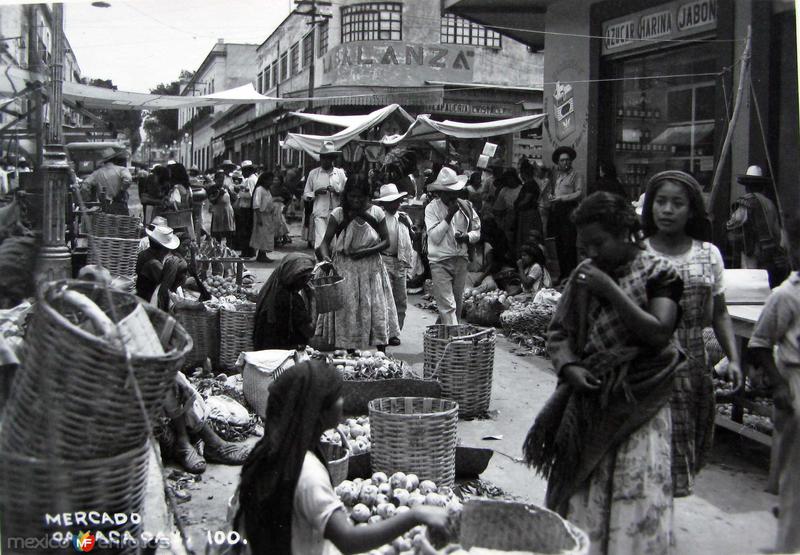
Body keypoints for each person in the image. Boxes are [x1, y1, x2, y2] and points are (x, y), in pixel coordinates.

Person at [524, 191, 684, 555]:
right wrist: (570, 367)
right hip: (590, 402)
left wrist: (610, 290)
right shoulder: (584, 275)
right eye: (586, 245)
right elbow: (559, 331)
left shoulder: (661, 273)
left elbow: (659, 331)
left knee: (634, 491)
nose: (592, 253)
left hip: (641, 402)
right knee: (584, 492)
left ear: (626, 231)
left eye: (599, 243)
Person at [235, 361, 448, 554]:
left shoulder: (271, 451)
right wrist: (415, 515)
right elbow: (348, 541)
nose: (343, 401)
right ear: (317, 411)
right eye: (337, 396)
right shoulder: (308, 473)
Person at [641, 171, 743, 497]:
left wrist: (734, 358)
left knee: (680, 448)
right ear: (650, 207)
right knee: (644, 449)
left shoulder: (708, 254)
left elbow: (721, 313)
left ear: (692, 210)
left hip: (691, 365)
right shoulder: (636, 255)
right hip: (645, 364)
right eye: (661, 202)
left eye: (677, 203)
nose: (667, 210)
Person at [747, 217, 800, 553]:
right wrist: (779, 385)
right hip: (796, 380)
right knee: (796, 476)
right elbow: (759, 344)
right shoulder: (786, 295)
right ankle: (787, 546)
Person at [316, 175, 400, 351]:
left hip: (371, 268)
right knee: (349, 310)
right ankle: (349, 351)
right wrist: (325, 257)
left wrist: (364, 252)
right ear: (346, 195)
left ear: (366, 196)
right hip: (346, 269)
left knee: (376, 308)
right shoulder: (338, 214)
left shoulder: (376, 212)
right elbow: (325, 243)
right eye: (351, 196)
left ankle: (381, 353)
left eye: (359, 197)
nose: (355, 200)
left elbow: (386, 241)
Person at [424, 167, 481, 325]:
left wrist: (467, 237)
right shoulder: (432, 208)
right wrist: (449, 216)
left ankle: (438, 336)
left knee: (456, 304)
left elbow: (477, 231)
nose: (452, 196)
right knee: (448, 305)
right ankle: (454, 340)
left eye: (454, 192)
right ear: (440, 193)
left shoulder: (465, 207)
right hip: (439, 261)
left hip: (460, 259)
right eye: (448, 192)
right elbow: (435, 237)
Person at [726, 165, 789, 287]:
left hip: (753, 251)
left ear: (747, 186)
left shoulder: (747, 202)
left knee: (750, 282)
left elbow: (733, 223)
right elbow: (777, 231)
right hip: (769, 252)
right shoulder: (769, 203)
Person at [374, 183, 414, 341]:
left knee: (401, 299)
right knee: (386, 298)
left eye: (397, 201)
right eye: (391, 202)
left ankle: (396, 331)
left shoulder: (403, 217)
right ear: (384, 204)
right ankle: (387, 331)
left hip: (400, 261)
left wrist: (408, 226)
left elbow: (413, 238)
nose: (395, 204)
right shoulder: (379, 218)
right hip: (385, 259)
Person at [253, 253, 316, 351]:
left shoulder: (269, 290)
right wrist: (312, 299)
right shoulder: (292, 299)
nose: (306, 282)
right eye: (304, 278)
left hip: (263, 350)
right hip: (284, 353)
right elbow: (310, 331)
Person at [547, 146, 585, 280]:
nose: (565, 163)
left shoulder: (576, 175)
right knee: (559, 243)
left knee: (569, 244)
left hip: (570, 210)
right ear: (558, 162)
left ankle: (571, 275)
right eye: (562, 160)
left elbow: (579, 193)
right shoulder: (558, 176)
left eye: (568, 160)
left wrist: (562, 198)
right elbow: (556, 192)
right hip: (558, 211)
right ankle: (563, 274)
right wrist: (553, 197)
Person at [303, 141, 347, 253]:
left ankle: (332, 267)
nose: (325, 161)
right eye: (323, 158)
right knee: (320, 241)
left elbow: (347, 192)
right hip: (320, 212)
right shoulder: (314, 174)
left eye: (328, 158)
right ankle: (319, 266)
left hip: (336, 213)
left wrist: (336, 191)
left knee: (334, 244)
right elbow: (306, 194)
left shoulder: (340, 174)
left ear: (333, 158)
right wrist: (315, 193)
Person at [81, 148, 133, 215]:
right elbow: (128, 180)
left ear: (104, 161)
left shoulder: (97, 173)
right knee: (122, 224)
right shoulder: (121, 170)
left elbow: (84, 186)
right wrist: (121, 191)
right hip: (120, 204)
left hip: (103, 206)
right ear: (115, 159)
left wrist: (88, 201)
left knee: (104, 224)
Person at [135, 225, 180, 301]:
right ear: (164, 249)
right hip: (146, 300)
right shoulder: (154, 264)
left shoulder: (144, 254)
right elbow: (167, 286)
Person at [515, 161, 545, 256]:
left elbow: (526, 200)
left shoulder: (530, 184)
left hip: (529, 215)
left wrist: (517, 206)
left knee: (528, 238)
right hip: (529, 214)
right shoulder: (531, 183)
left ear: (524, 173)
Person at [492, 168, 523, 252]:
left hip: (521, 218)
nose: (509, 181)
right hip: (508, 219)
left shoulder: (522, 189)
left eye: (510, 178)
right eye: (507, 179)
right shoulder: (504, 190)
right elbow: (498, 208)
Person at [250, 171, 278, 263]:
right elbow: (256, 204)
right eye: (270, 180)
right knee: (262, 235)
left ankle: (263, 254)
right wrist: (259, 218)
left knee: (267, 235)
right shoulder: (259, 189)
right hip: (261, 215)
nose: (271, 182)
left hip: (268, 216)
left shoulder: (267, 190)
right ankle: (261, 255)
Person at [233, 161, 257, 258]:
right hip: (246, 208)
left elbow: (250, 194)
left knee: (245, 231)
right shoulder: (250, 179)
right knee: (247, 231)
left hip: (247, 208)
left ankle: (247, 251)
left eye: (243, 171)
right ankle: (248, 251)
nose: (242, 173)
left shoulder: (251, 180)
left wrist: (240, 192)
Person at [208, 170, 236, 246]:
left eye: (222, 180)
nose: (221, 181)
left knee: (228, 232)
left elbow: (233, 198)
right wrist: (218, 194)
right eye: (219, 180)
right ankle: (218, 249)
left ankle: (229, 249)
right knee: (217, 234)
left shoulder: (226, 187)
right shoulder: (212, 188)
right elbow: (212, 200)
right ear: (215, 180)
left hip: (227, 212)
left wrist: (233, 194)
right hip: (218, 212)